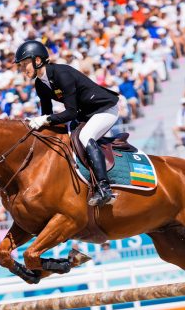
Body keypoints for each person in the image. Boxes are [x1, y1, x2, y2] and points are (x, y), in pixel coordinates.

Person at [14, 40, 121, 207]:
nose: (22, 69)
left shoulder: (61, 74)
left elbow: (69, 112)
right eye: (20, 65)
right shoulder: (40, 84)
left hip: (105, 108)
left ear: (37, 61)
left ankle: (104, 188)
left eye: (24, 64)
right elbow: (46, 114)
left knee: (85, 137)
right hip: (85, 113)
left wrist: (46, 119)